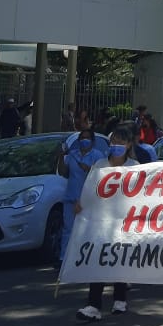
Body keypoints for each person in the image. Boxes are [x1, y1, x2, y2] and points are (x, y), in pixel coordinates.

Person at [76, 124, 135, 321]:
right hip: (100, 221)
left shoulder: (134, 167)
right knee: (98, 258)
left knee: (119, 257)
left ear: (128, 145)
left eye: (121, 142)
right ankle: (93, 304)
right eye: (114, 141)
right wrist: (81, 203)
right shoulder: (100, 165)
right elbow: (89, 188)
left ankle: (120, 299)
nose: (117, 145)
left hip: (124, 221)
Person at [59, 111, 109, 266]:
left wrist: (88, 168)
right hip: (71, 197)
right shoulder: (72, 155)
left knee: (89, 228)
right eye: (82, 138)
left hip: (88, 198)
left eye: (87, 139)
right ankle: (64, 259)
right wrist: (61, 156)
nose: (84, 141)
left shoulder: (98, 156)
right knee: (68, 229)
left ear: (92, 142)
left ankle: (87, 259)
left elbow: (100, 175)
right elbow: (63, 172)